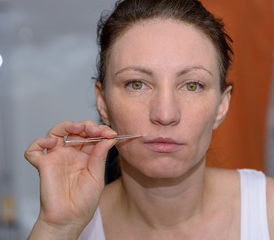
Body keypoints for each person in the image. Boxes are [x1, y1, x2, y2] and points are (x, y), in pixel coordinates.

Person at [24, 0, 274, 239]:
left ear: (221, 106)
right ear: (103, 103)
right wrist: (58, 228)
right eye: (137, 84)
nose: (165, 115)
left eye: (191, 86)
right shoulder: (71, 224)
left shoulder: (268, 213)